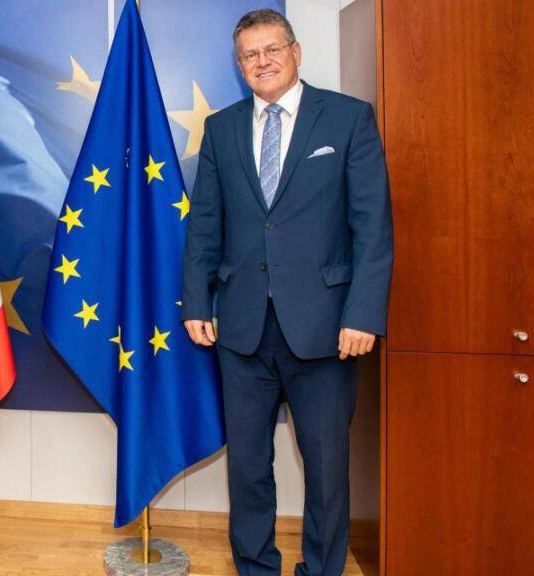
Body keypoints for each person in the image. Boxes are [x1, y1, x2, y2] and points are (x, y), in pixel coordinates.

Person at [182, 9, 393, 576]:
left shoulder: (349, 119)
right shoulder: (222, 129)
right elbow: (205, 222)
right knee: (247, 468)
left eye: (272, 49)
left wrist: (363, 314)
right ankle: (256, 567)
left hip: (326, 328)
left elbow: (372, 226)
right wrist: (197, 301)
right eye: (250, 55)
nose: (262, 62)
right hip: (242, 328)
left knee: (326, 470)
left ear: (296, 52)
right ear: (239, 64)